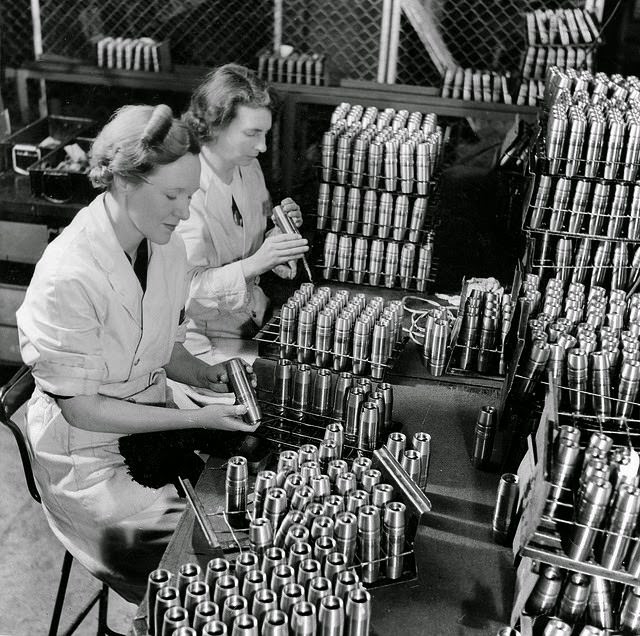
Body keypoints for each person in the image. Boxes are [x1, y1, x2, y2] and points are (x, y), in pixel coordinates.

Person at [16, 104, 257, 604]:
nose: (184, 211)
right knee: (208, 553)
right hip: (87, 458)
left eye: (190, 196)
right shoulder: (70, 274)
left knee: (242, 502)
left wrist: (209, 375)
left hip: (150, 425)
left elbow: (165, 348)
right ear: (125, 182)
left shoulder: (163, 244)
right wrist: (202, 421)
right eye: (172, 195)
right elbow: (83, 410)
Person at [179, 63, 309, 351]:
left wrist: (278, 235)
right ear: (216, 125)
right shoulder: (185, 188)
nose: (262, 147)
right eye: (252, 134)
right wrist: (258, 262)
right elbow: (185, 294)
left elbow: (248, 240)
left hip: (250, 317)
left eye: (265, 134)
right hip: (199, 342)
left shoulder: (246, 167)